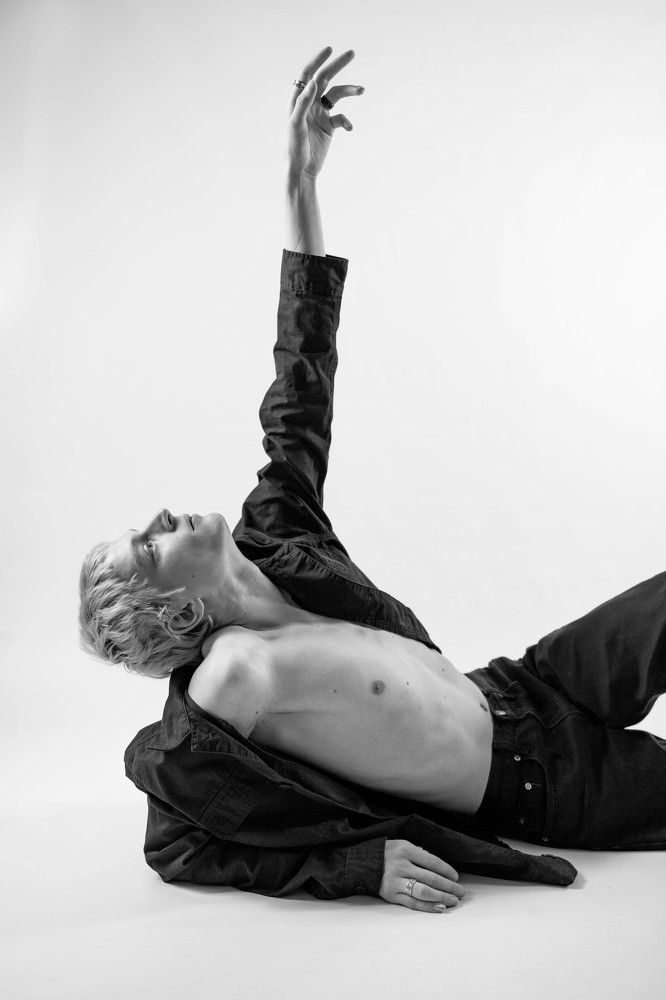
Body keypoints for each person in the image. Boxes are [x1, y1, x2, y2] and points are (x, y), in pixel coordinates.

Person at [79, 47, 665, 914]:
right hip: (541, 781)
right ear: (171, 610)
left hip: (526, 685)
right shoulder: (234, 672)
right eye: (145, 544)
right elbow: (176, 839)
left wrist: (301, 186)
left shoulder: (275, 538)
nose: (160, 515)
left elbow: (301, 387)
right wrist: (354, 868)